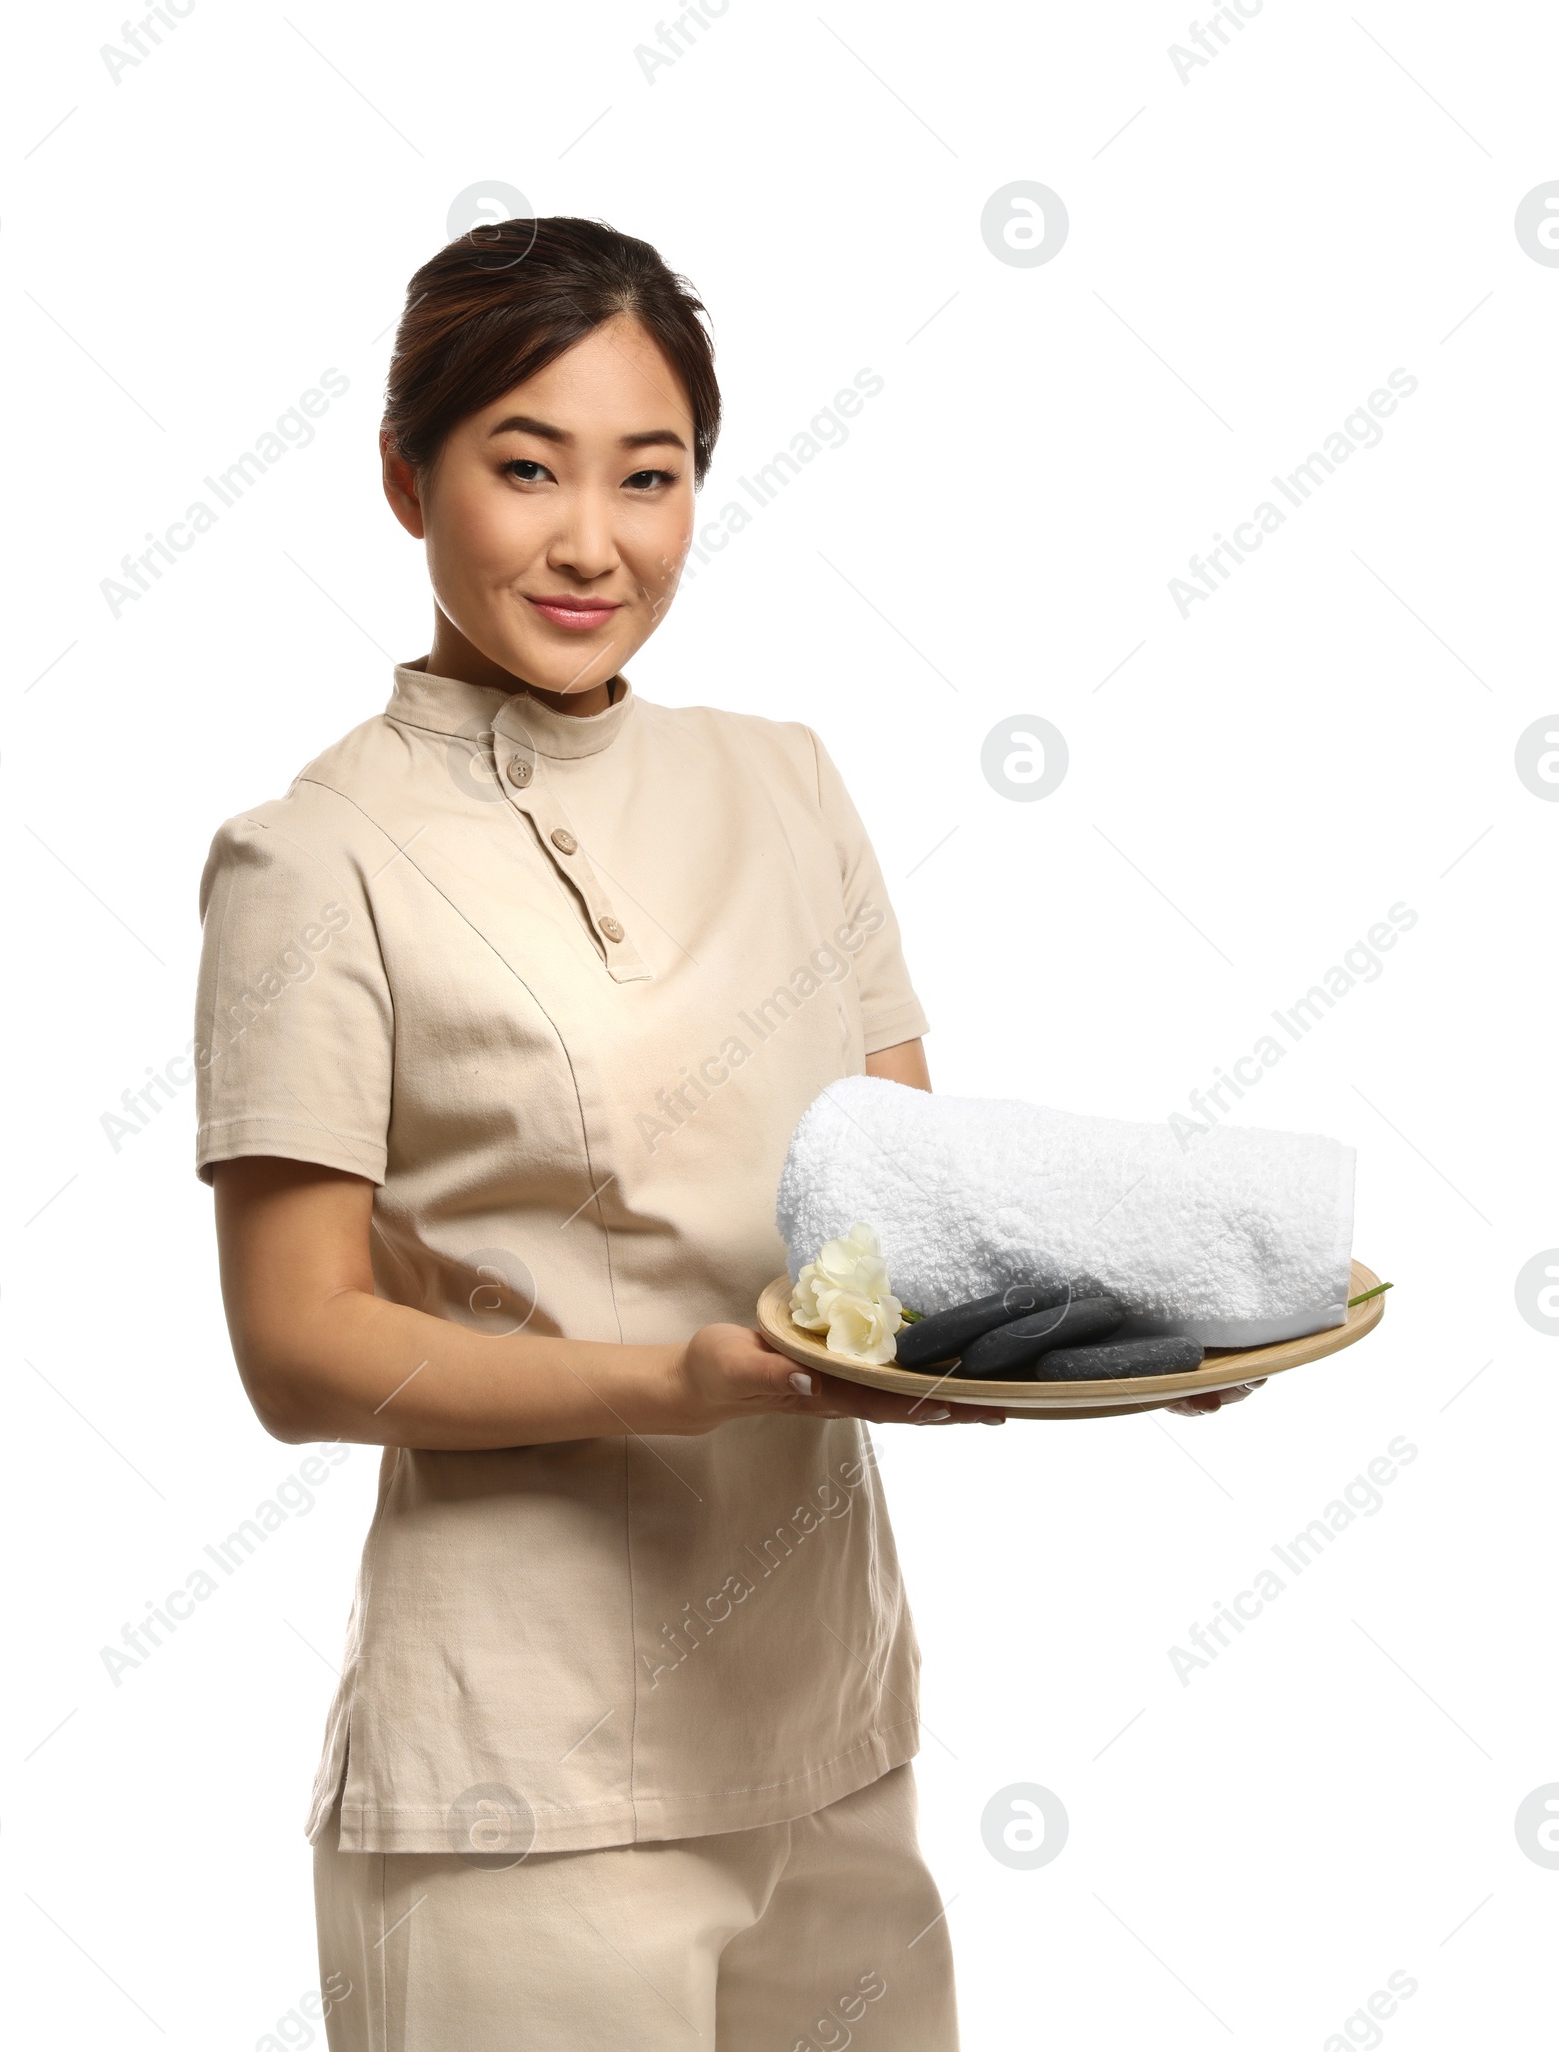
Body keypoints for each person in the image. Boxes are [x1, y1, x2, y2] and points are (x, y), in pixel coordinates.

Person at [197, 216, 1249, 2050]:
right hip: (518, 1779)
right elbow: (300, 1350)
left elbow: (906, 1221)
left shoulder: (787, 780)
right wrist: (672, 1381)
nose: (591, 539)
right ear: (402, 475)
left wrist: (1147, 1331)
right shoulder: (315, 857)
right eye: (525, 467)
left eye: (650, 475)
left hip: (828, 1719)